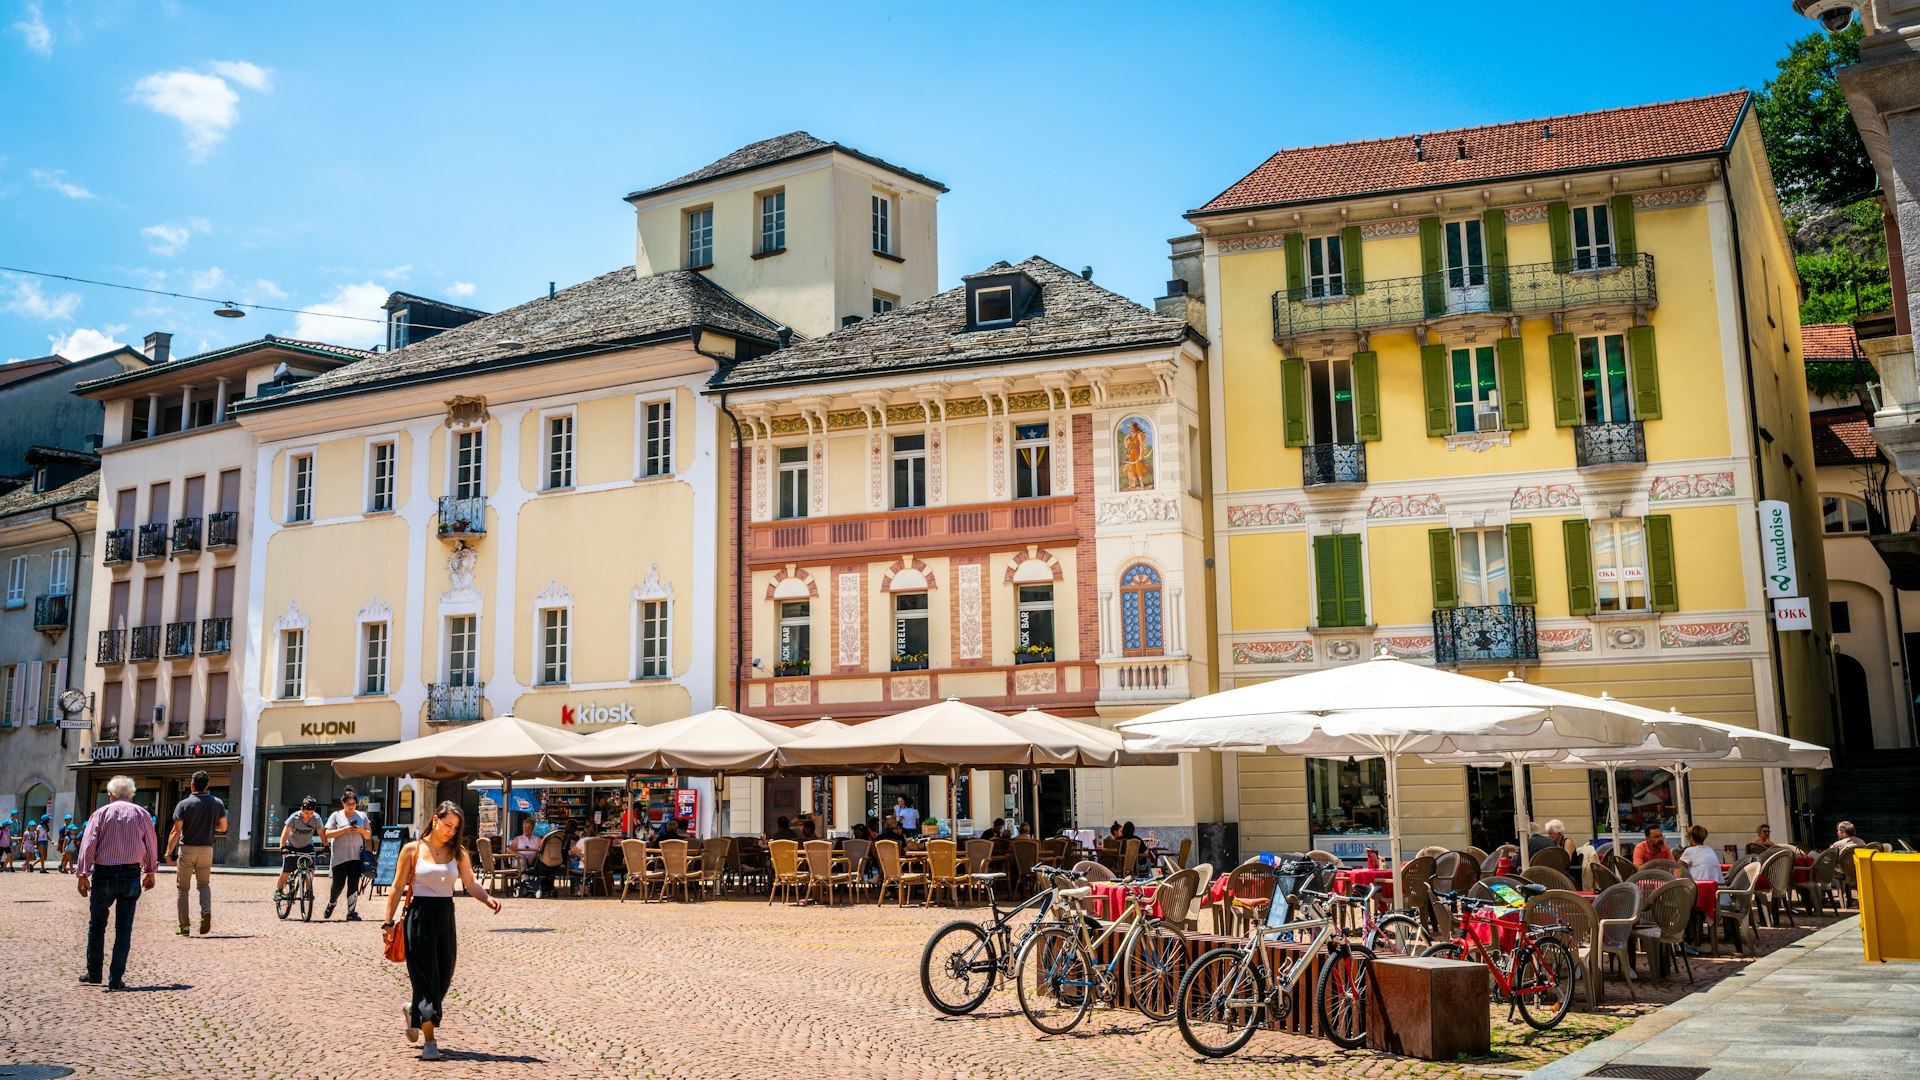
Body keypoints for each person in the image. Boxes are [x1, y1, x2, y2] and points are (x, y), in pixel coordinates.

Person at [384, 802, 499, 1061]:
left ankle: (414, 1009)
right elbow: (396, 886)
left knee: (443, 977)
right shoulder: (412, 850)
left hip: (446, 916)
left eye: (455, 828)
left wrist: (487, 899)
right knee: (425, 980)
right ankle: (430, 1041)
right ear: (435, 820)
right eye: (447, 825)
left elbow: (470, 882)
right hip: (419, 917)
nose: (450, 831)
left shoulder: (457, 853)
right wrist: (388, 921)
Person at [77, 775, 158, 990]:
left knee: (97, 925)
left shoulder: (100, 813)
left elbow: (88, 844)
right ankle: (115, 977)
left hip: (103, 874)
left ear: (111, 794)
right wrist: (150, 872)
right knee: (124, 928)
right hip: (130, 875)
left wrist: (83, 874)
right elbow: (150, 844)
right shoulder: (142, 814)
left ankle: (94, 973)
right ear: (131, 794)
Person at [166, 770, 227, 936]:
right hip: (207, 849)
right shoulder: (217, 803)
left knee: (183, 888)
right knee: (204, 884)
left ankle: (184, 926)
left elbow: (175, 831)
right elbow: (223, 827)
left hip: (187, 849)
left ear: (192, 785)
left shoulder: (183, 804)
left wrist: (167, 853)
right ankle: (206, 912)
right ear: (207, 785)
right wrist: (209, 826)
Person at [322, 788, 372, 920]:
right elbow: (327, 833)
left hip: (356, 856)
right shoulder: (336, 815)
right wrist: (344, 830)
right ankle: (332, 902)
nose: (351, 806)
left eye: (353, 803)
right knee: (338, 884)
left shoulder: (361, 816)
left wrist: (359, 829)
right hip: (340, 856)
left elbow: (368, 835)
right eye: (348, 803)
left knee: (353, 884)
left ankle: (351, 912)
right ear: (343, 804)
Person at [276, 796, 326, 900]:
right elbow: (285, 834)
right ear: (301, 809)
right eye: (306, 812)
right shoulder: (294, 817)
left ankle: (308, 891)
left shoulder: (316, 819)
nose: (309, 816)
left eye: (311, 813)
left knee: (310, 869)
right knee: (287, 871)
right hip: (292, 846)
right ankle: (279, 891)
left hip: (307, 846)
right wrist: (283, 847)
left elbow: (321, 833)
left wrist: (326, 846)